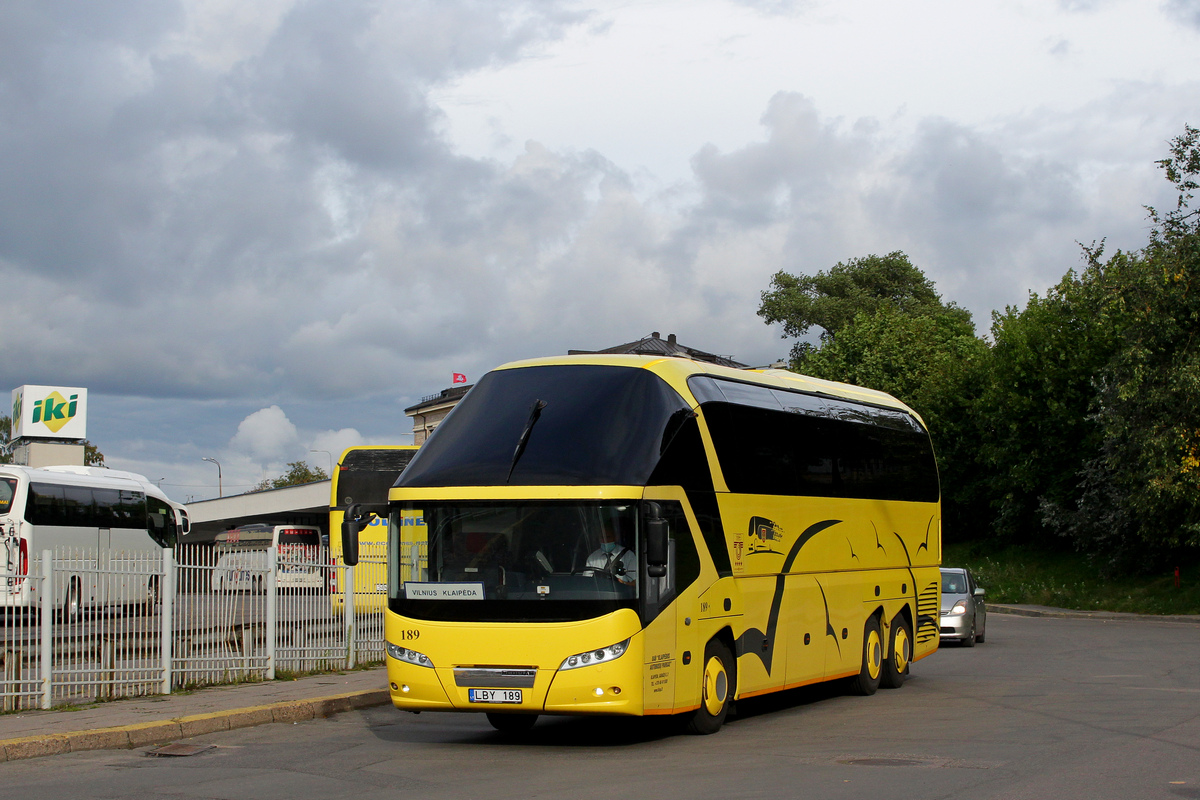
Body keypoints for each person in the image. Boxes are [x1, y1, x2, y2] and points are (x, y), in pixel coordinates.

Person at [585, 520, 636, 586]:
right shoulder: (593, 557)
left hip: (620, 593)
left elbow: (636, 583)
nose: (605, 541)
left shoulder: (628, 555)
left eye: (608, 537)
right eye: (602, 537)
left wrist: (623, 583)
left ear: (616, 537)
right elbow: (586, 581)